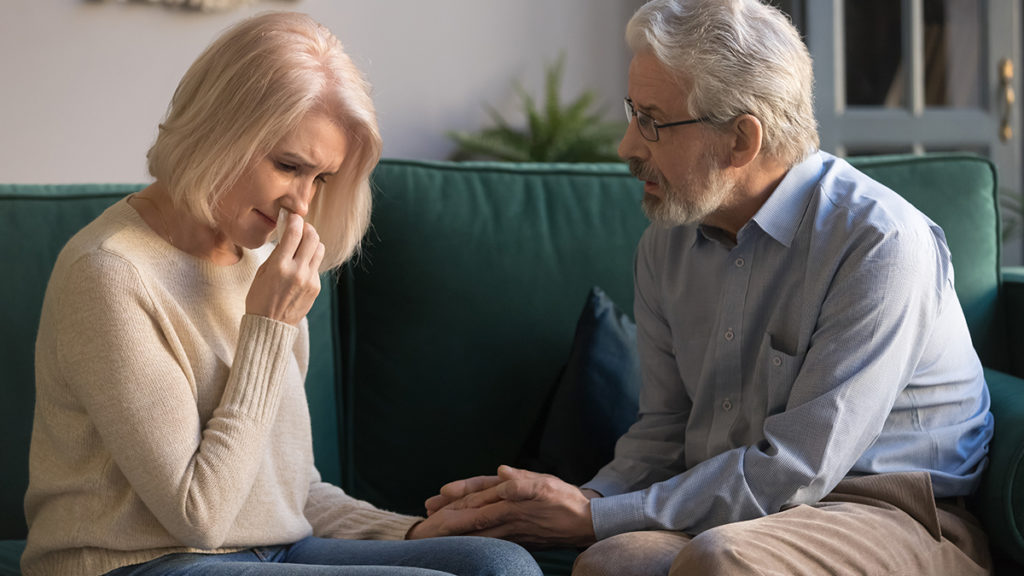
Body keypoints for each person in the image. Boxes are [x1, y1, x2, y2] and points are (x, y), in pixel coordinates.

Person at [415, 1, 995, 575]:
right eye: (631, 112)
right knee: (609, 562)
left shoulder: (879, 243)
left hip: (895, 515)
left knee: (721, 560)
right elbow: (663, 432)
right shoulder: (665, 246)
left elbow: (799, 467)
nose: (626, 146)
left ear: (742, 141)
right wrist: (581, 503)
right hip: (744, 518)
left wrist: (593, 517)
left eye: (652, 121)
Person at [21, 11, 541, 576]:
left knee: (498, 565)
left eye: (320, 178)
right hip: (140, 562)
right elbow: (200, 516)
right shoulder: (111, 272)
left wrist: (409, 533)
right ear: (218, 132)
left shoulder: (267, 261)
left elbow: (287, 492)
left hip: (273, 553)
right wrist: (266, 328)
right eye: (288, 166)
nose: (302, 203)